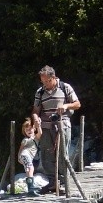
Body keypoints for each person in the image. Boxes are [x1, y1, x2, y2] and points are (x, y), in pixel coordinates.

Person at [31, 65, 81, 193]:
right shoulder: (40, 92)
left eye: (47, 81)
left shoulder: (65, 87)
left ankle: (63, 183)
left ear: (53, 77)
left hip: (62, 125)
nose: (45, 84)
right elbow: (35, 111)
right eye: (43, 82)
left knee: (62, 153)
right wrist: (36, 118)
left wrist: (65, 106)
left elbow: (77, 104)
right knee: (46, 155)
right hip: (46, 127)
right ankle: (53, 183)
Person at [18, 117, 42, 196]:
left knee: (28, 170)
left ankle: (30, 189)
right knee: (31, 168)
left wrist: (38, 125)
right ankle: (31, 187)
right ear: (24, 131)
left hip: (28, 156)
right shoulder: (25, 140)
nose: (29, 131)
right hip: (25, 154)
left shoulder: (35, 138)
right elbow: (21, 149)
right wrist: (19, 157)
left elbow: (40, 133)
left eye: (30, 128)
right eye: (26, 129)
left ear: (34, 129)